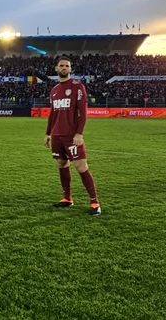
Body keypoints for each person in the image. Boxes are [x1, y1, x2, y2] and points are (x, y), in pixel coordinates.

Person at [44, 57, 101, 216]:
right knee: (62, 164)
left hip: (72, 135)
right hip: (57, 135)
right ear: (56, 69)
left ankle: (94, 202)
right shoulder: (54, 90)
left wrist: (79, 133)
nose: (64, 68)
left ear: (70, 69)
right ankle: (67, 198)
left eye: (67, 66)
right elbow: (52, 114)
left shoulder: (77, 86)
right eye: (61, 65)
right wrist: (48, 133)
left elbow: (83, 113)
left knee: (81, 167)